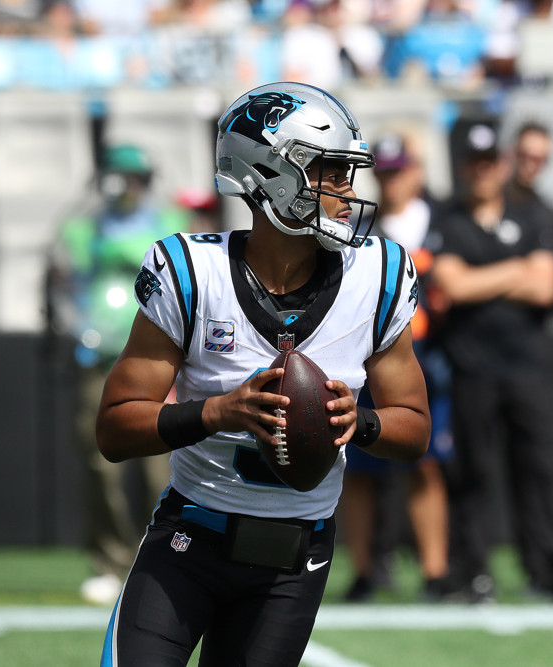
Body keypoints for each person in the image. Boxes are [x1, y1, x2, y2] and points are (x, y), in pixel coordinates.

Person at [96, 82, 430, 666]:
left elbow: (414, 427)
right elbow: (116, 429)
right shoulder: (190, 270)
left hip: (295, 562)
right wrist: (215, 412)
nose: (349, 194)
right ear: (272, 173)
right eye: (331, 173)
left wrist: (364, 421)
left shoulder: (377, 274)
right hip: (189, 541)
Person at [430, 119, 553, 604]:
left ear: (501, 163)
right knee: (473, 474)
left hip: (528, 368)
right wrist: (517, 268)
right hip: (472, 369)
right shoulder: (450, 220)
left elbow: (546, 287)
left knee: (538, 472)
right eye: (474, 163)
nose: (483, 171)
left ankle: (552, 568)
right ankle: (473, 572)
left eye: (489, 161)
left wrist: (482, 278)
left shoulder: (537, 216)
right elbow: (451, 285)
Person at [48, 143, 190, 606]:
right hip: (98, 356)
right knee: (98, 462)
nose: (125, 186)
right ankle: (109, 560)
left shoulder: (170, 224)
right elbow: (62, 286)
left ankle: (166, 557)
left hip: (158, 359)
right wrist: (76, 328)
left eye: (134, 177)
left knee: (160, 467)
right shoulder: (79, 228)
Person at [339, 131, 453, 602]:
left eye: (398, 171)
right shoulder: (359, 232)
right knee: (360, 470)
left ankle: (435, 570)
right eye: (383, 174)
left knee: (424, 464)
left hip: (429, 358)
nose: (391, 183)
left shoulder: (444, 223)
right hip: (370, 360)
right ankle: (365, 569)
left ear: (418, 172)